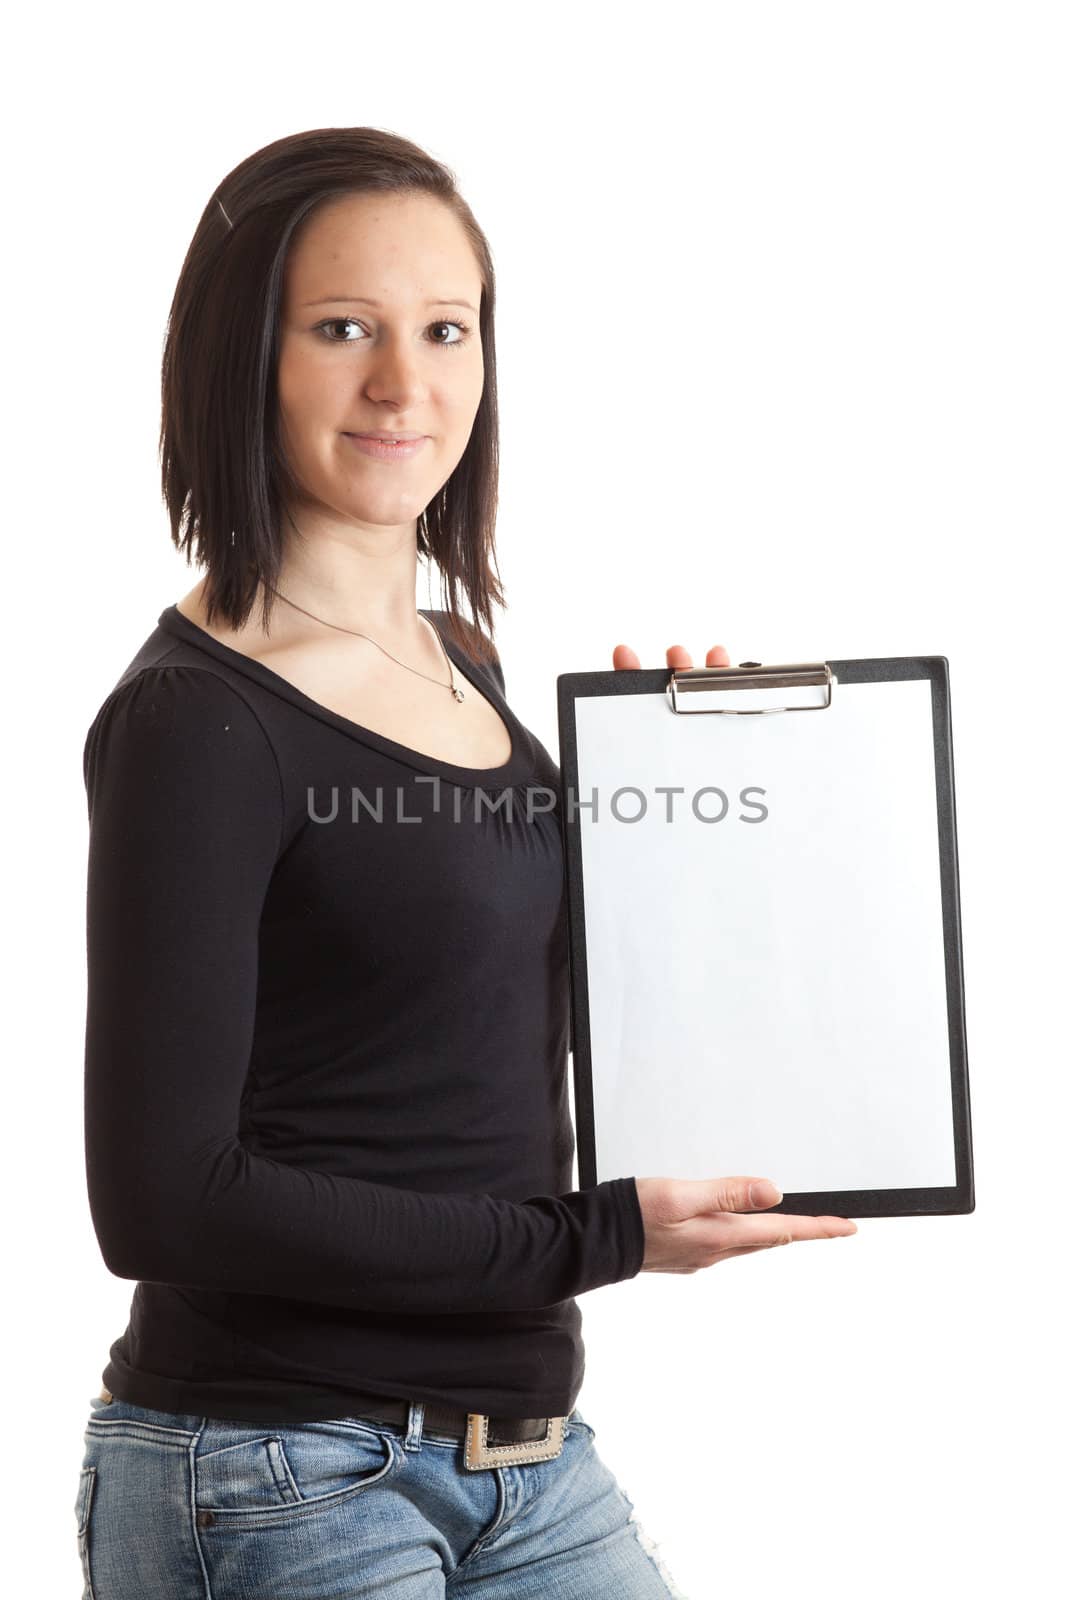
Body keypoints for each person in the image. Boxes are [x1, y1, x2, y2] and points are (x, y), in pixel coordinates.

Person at [74, 127, 858, 1600]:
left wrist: (704, 773)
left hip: (525, 1459)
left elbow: (487, 999)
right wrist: (593, 1238)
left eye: (446, 328)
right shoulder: (198, 724)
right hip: (279, 1473)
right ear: (241, 359)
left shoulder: (464, 663)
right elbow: (162, 1199)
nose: (405, 384)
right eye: (341, 329)